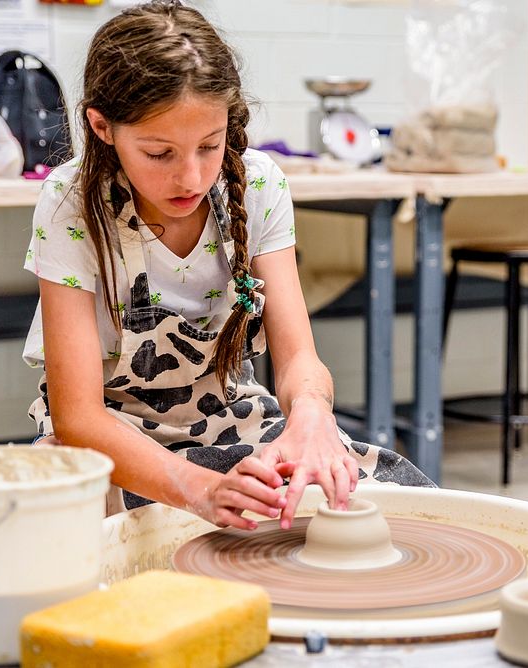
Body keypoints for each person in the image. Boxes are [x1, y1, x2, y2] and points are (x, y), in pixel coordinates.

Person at [22, 0, 432, 530]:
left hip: (228, 421)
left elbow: (297, 359)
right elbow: (78, 417)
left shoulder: (258, 184)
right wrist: (200, 490)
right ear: (102, 127)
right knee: (94, 541)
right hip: (105, 441)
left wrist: (310, 416)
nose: (190, 177)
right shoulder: (71, 201)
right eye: (159, 153)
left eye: (208, 146)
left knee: (385, 499)